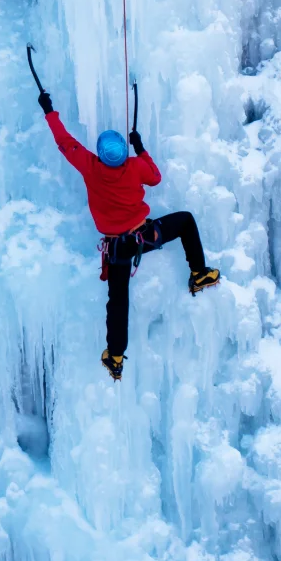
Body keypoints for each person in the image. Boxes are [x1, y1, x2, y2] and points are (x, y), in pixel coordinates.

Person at [38, 91, 220, 381]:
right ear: (123, 152)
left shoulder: (90, 166)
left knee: (118, 300)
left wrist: (49, 110)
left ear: (100, 153)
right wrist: (141, 148)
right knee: (185, 221)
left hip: (117, 249)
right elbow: (155, 177)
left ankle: (115, 356)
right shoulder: (134, 166)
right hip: (145, 236)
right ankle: (199, 274)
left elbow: (64, 142)